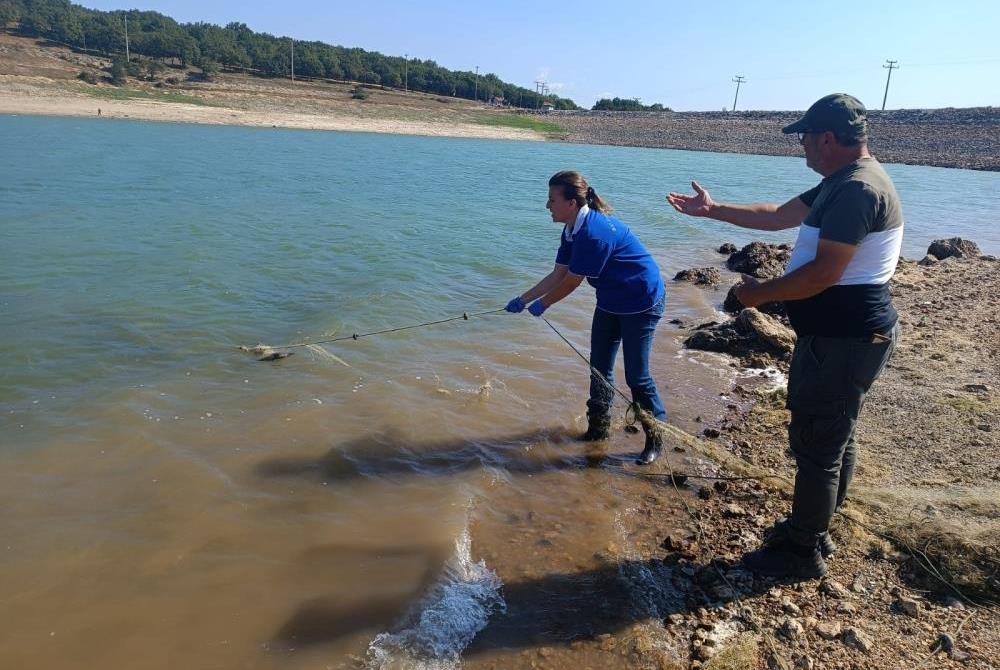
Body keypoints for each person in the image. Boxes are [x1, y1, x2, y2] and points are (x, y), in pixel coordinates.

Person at [667, 94, 903, 579]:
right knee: (833, 436)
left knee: (818, 444)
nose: (803, 149)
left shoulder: (859, 190)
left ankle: (802, 551)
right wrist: (712, 211)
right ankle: (816, 527)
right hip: (841, 337)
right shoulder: (841, 182)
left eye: (805, 139)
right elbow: (775, 214)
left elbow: (823, 274)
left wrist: (757, 295)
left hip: (845, 339)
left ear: (829, 139)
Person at [507, 170, 668, 465]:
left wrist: (543, 305)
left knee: (636, 375)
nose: (547, 206)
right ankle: (598, 431)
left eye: (552, 199)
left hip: (642, 300)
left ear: (571, 202)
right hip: (611, 300)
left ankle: (656, 438)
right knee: (599, 369)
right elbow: (558, 274)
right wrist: (524, 298)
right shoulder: (571, 229)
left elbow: (571, 282)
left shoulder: (594, 232)